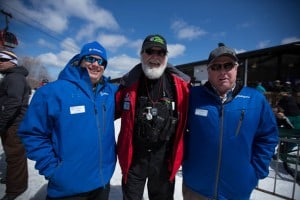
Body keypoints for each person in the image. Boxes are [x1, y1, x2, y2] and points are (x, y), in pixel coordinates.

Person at [18, 41, 118, 200]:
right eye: (90, 59)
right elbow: (32, 134)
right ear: (80, 60)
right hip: (67, 188)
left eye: (101, 61)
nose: (95, 64)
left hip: (101, 182)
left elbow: (131, 85)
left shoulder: (109, 92)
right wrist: (53, 169)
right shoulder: (52, 92)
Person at [182, 43, 279, 199]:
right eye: (216, 67)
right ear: (208, 71)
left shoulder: (255, 99)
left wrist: (255, 173)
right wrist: (186, 162)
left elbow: (268, 138)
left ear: (236, 68)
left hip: (236, 191)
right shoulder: (192, 96)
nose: (223, 72)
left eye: (228, 66)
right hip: (195, 188)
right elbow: (179, 131)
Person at [115, 34, 190, 200]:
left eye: (161, 53)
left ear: (166, 57)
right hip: (135, 158)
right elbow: (105, 112)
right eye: (150, 51)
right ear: (142, 54)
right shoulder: (128, 84)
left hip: (164, 159)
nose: (155, 57)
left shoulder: (179, 85)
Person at [0, 50, 30, 200]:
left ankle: (16, 189)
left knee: (15, 157)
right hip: (12, 123)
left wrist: (2, 123)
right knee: (13, 156)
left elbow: (13, 102)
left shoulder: (14, 77)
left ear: (13, 62)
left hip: (14, 124)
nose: (0, 62)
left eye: (2, 59)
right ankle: (14, 180)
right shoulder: (11, 76)